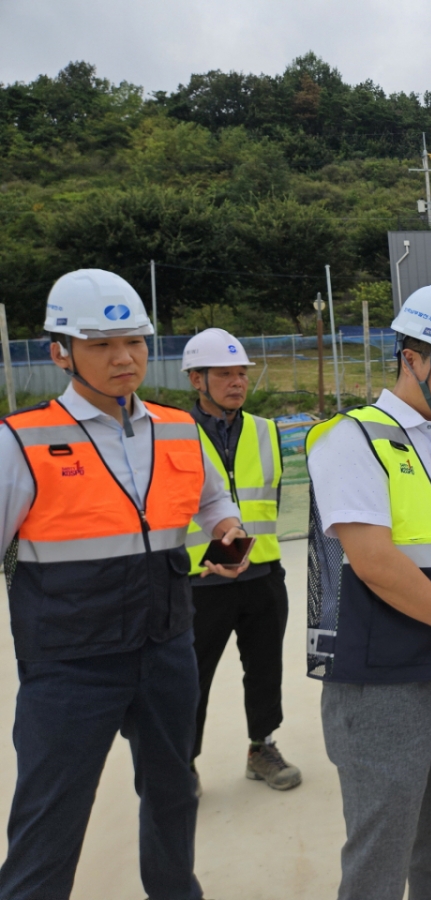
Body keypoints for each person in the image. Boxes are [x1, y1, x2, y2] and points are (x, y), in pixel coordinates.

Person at [0, 269, 246, 900]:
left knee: (173, 793)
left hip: (167, 647)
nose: (123, 358)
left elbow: (213, 501)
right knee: (50, 815)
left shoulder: (177, 427)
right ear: (61, 352)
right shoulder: (23, 440)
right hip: (69, 663)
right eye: (101, 345)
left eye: (134, 341)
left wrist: (227, 533)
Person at [305, 283, 431, 900]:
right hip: (384, 689)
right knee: (379, 863)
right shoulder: (352, 438)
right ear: (411, 358)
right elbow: (374, 562)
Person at [181, 328, 300, 795]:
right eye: (224, 374)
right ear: (196, 379)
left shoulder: (266, 431)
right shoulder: (173, 434)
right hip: (198, 579)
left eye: (241, 374)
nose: (237, 382)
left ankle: (261, 747)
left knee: (265, 668)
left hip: (262, 573)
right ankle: (183, 762)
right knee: (190, 678)